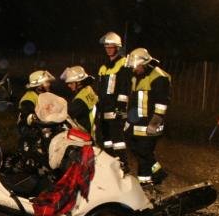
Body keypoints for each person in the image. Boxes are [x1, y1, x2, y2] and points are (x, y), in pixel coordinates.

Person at [124, 48, 171, 185]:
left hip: (151, 123)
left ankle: (147, 181)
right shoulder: (136, 76)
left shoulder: (159, 77)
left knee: (144, 152)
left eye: (136, 66)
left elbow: (162, 104)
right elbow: (134, 102)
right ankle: (157, 173)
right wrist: (128, 121)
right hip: (137, 123)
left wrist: (154, 123)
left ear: (144, 64)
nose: (134, 69)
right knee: (139, 152)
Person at [96, 32, 131, 163]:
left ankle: (123, 163)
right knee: (106, 140)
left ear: (118, 47)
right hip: (104, 109)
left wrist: (120, 110)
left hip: (116, 109)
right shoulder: (103, 67)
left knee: (118, 140)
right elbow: (100, 90)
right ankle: (111, 162)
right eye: (106, 47)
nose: (108, 50)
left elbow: (125, 89)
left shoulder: (124, 64)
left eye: (111, 47)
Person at [60, 66, 99, 138]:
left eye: (71, 83)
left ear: (79, 83)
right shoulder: (88, 89)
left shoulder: (80, 99)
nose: (69, 85)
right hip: (93, 132)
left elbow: (68, 114)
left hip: (85, 135)